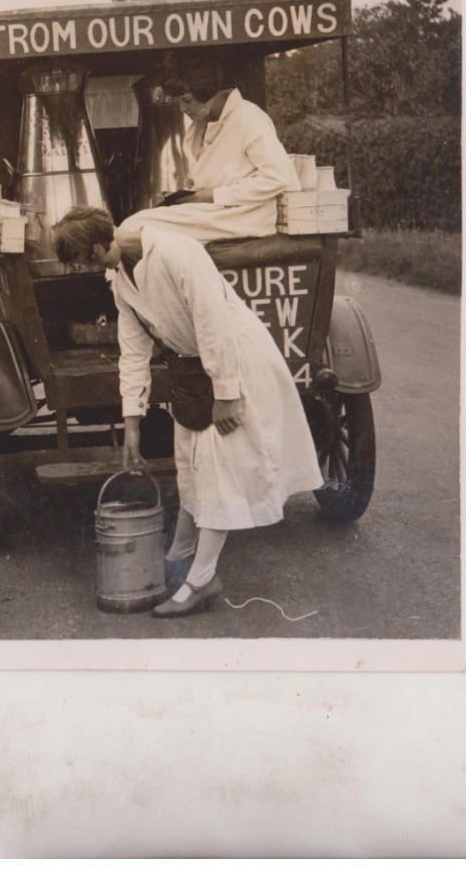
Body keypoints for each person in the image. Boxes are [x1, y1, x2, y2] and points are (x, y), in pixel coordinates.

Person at [52, 206, 323, 618]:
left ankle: (202, 579)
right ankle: (178, 557)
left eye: (89, 259)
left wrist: (228, 393)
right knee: (190, 465)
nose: (92, 269)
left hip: (234, 361)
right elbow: (134, 351)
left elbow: (214, 325)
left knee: (219, 473)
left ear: (100, 242)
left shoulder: (179, 253)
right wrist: (132, 423)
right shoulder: (120, 276)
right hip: (193, 369)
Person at [116, 57, 301, 252]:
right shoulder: (203, 123)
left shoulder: (249, 118)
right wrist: (189, 195)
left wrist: (214, 195)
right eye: (179, 102)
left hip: (243, 216)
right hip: (217, 212)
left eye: (187, 101)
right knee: (136, 224)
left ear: (208, 93)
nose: (182, 109)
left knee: (135, 226)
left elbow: (277, 176)